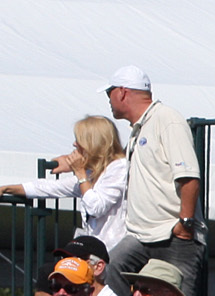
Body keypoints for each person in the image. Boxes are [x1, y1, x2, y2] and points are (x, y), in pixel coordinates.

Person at [104, 66, 202, 296]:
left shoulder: (166, 119)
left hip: (173, 234)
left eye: (110, 93)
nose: (108, 100)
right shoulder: (140, 128)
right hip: (141, 235)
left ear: (123, 92)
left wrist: (185, 224)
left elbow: (189, 176)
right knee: (111, 272)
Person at [3, 116, 130, 270]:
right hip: (95, 254)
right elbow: (48, 187)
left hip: (113, 255)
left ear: (93, 143)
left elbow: (96, 207)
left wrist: (80, 173)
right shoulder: (93, 173)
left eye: (79, 140)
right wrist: (6, 188)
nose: (74, 144)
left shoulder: (119, 168)